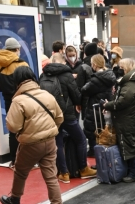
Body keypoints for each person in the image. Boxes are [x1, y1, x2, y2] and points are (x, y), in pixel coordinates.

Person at [0, 66, 65, 204]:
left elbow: (13, 126)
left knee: (21, 172)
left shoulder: (18, 100)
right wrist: (49, 130)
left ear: (17, 81)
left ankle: (15, 201)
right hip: (50, 142)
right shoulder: (46, 95)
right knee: (51, 176)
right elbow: (59, 117)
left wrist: (25, 132)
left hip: (30, 144)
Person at [41, 54, 96, 182]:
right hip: (67, 114)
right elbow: (76, 95)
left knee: (58, 143)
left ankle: (64, 173)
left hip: (51, 115)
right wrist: (79, 105)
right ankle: (83, 169)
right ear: (63, 62)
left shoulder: (43, 75)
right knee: (81, 139)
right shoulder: (66, 75)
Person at [104, 58, 135, 183]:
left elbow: (122, 102)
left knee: (128, 144)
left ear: (126, 68)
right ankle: (130, 171)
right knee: (126, 144)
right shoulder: (127, 82)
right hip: (126, 118)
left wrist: (107, 105)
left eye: (121, 67)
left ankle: (134, 173)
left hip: (127, 119)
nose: (119, 69)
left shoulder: (130, 84)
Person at [0, 37, 29, 165]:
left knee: (13, 130)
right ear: (17, 49)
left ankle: (14, 160)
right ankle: (27, 159)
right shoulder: (22, 64)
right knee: (26, 129)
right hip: (22, 100)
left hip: (7, 100)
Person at [81, 54, 116, 156]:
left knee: (94, 131)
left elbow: (84, 90)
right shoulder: (110, 75)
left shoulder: (96, 79)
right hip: (106, 106)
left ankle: (94, 152)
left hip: (95, 108)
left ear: (95, 65)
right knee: (106, 130)